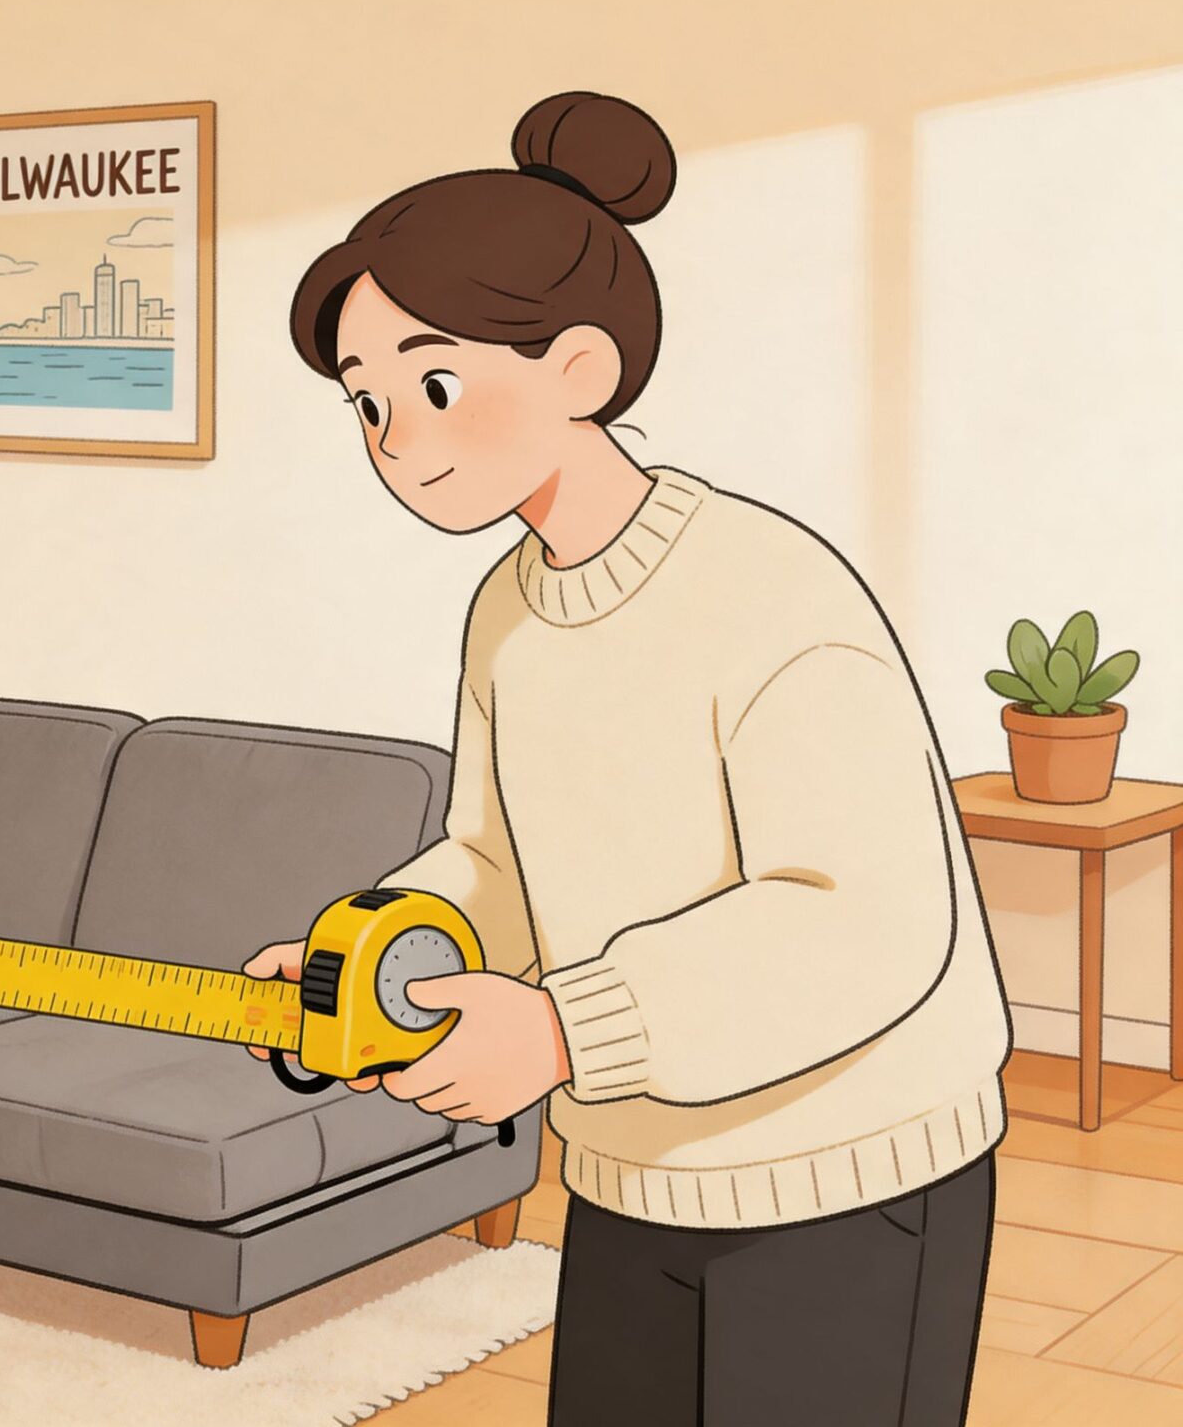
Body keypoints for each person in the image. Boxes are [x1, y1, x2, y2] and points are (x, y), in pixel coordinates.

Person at [239, 91, 1011, 1426]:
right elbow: (494, 856)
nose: (395, 443)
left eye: (431, 385)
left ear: (581, 370)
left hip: (850, 1179)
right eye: (366, 405)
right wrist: (364, 957)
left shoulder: (772, 592)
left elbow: (868, 921)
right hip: (628, 1167)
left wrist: (557, 1027)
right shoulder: (509, 607)